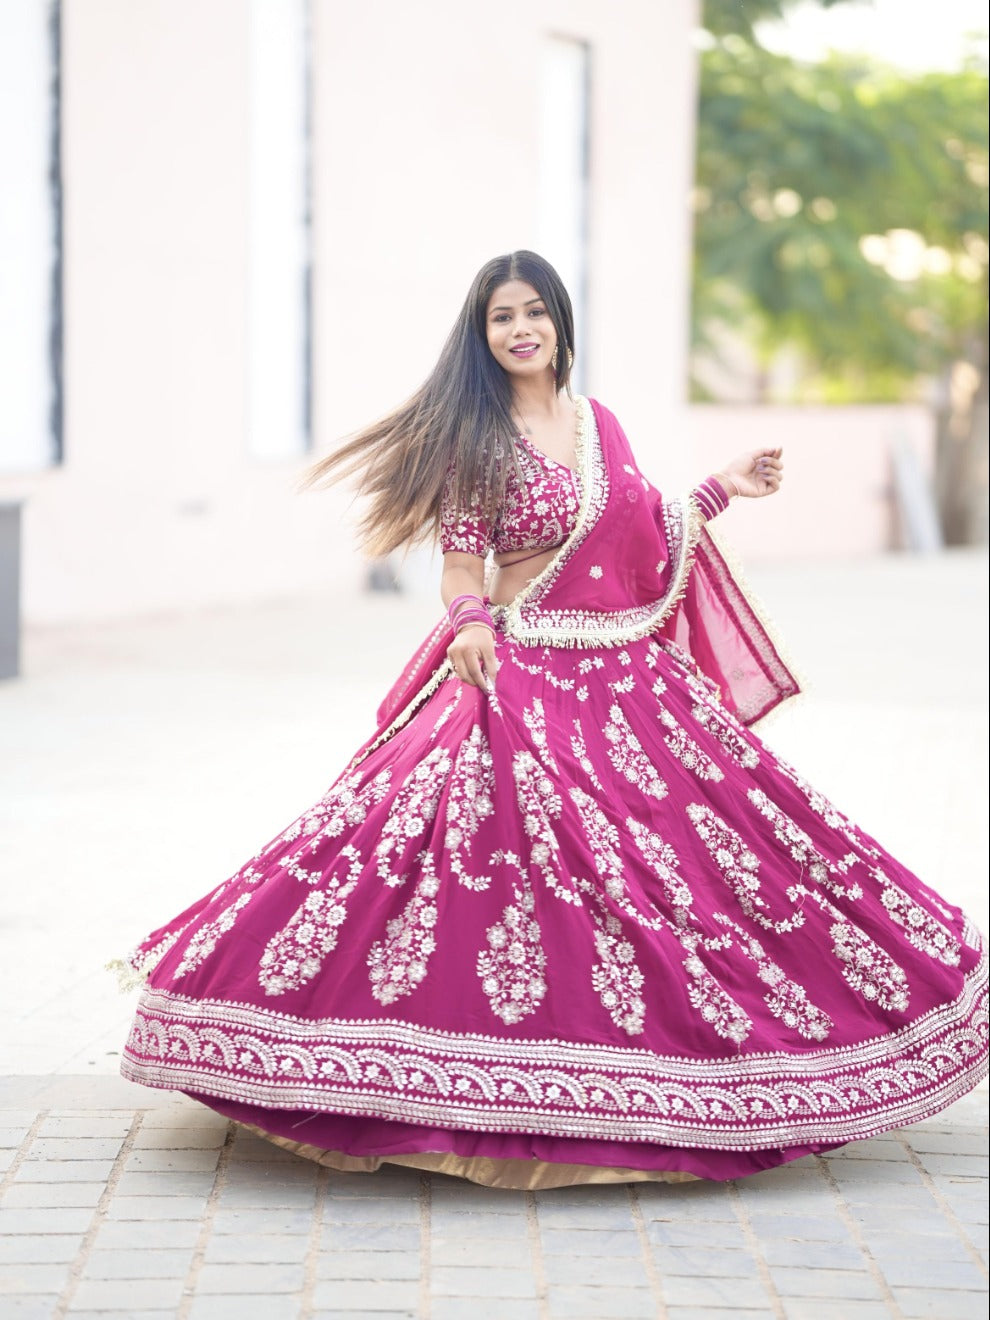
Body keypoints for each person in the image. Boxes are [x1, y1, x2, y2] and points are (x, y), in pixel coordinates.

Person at [117, 251, 987, 1189]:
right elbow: (461, 562)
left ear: (561, 324)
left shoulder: (596, 422)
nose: (520, 328)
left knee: (724, 856)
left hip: (630, 680)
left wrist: (724, 485)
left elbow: (643, 534)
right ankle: (423, 1082)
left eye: (534, 312)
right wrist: (468, 621)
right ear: (481, 335)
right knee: (446, 855)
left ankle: (696, 1076)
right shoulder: (474, 442)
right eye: (501, 317)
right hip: (520, 665)